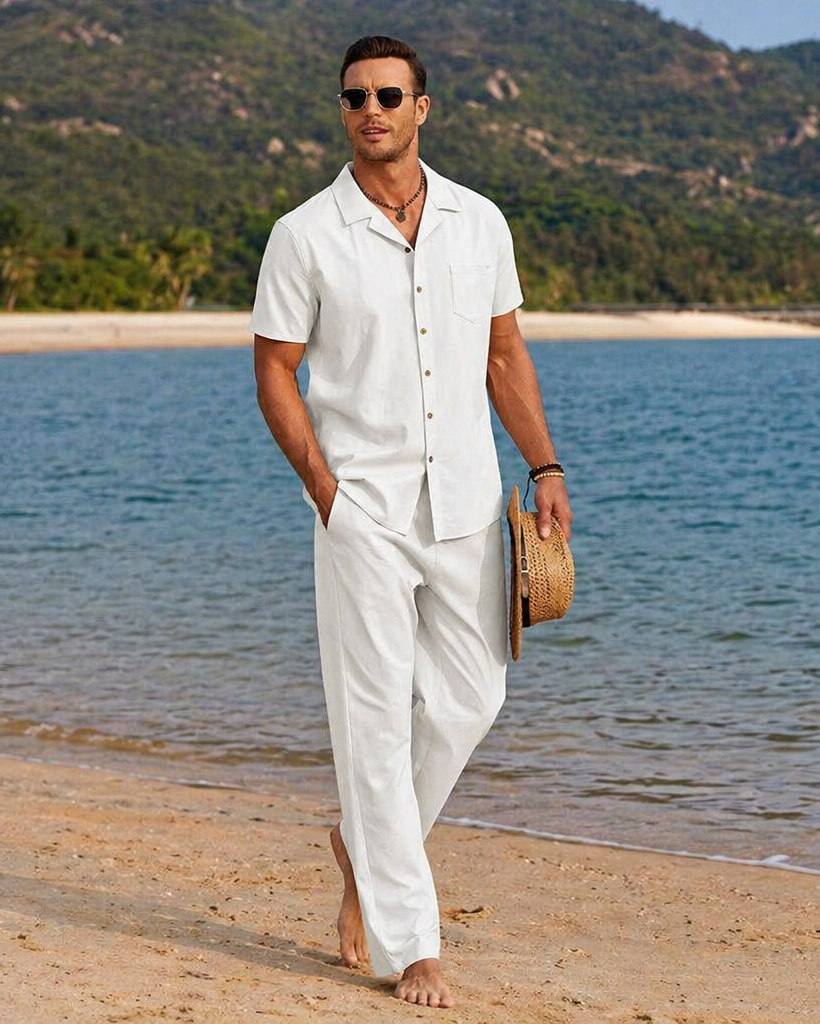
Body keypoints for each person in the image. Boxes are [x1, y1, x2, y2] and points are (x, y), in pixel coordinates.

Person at [250, 35, 571, 1009]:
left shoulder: (481, 223)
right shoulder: (305, 236)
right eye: (355, 97)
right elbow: (274, 367)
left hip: (470, 500)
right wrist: (321, 484)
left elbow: (504, 355)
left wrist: (545, 462)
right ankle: (410, 942)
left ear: (423, 107)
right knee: (375, 725)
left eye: (390, 94)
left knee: (474, 699)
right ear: (342, 110)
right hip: (363, 512)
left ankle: (362, 842)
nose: (372, 108)